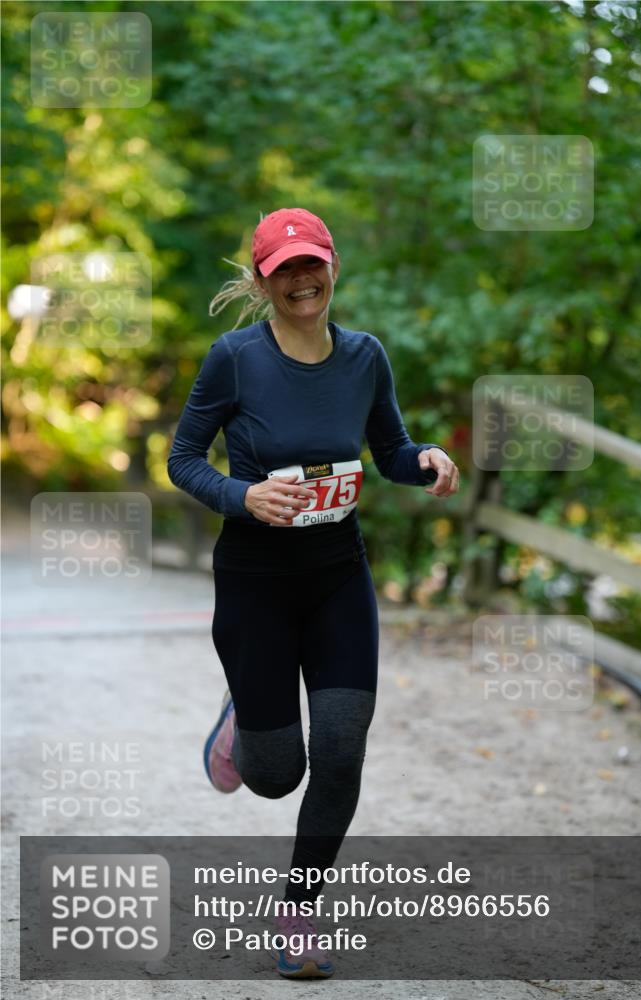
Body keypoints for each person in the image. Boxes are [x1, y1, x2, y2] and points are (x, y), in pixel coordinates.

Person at [167, 207, 459, 979]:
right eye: (283, 269)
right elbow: (184, 457)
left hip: (337, 575)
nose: (301, 280)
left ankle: (299, 909)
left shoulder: (365, 357)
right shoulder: (234, 358)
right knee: (274, 775)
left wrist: (422, 456)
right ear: (264, 282)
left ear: (332, 267)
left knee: (338, 749)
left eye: (311, 264)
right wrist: (242, 496)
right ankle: (241, 724)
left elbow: (390, 449)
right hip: (255, 582)